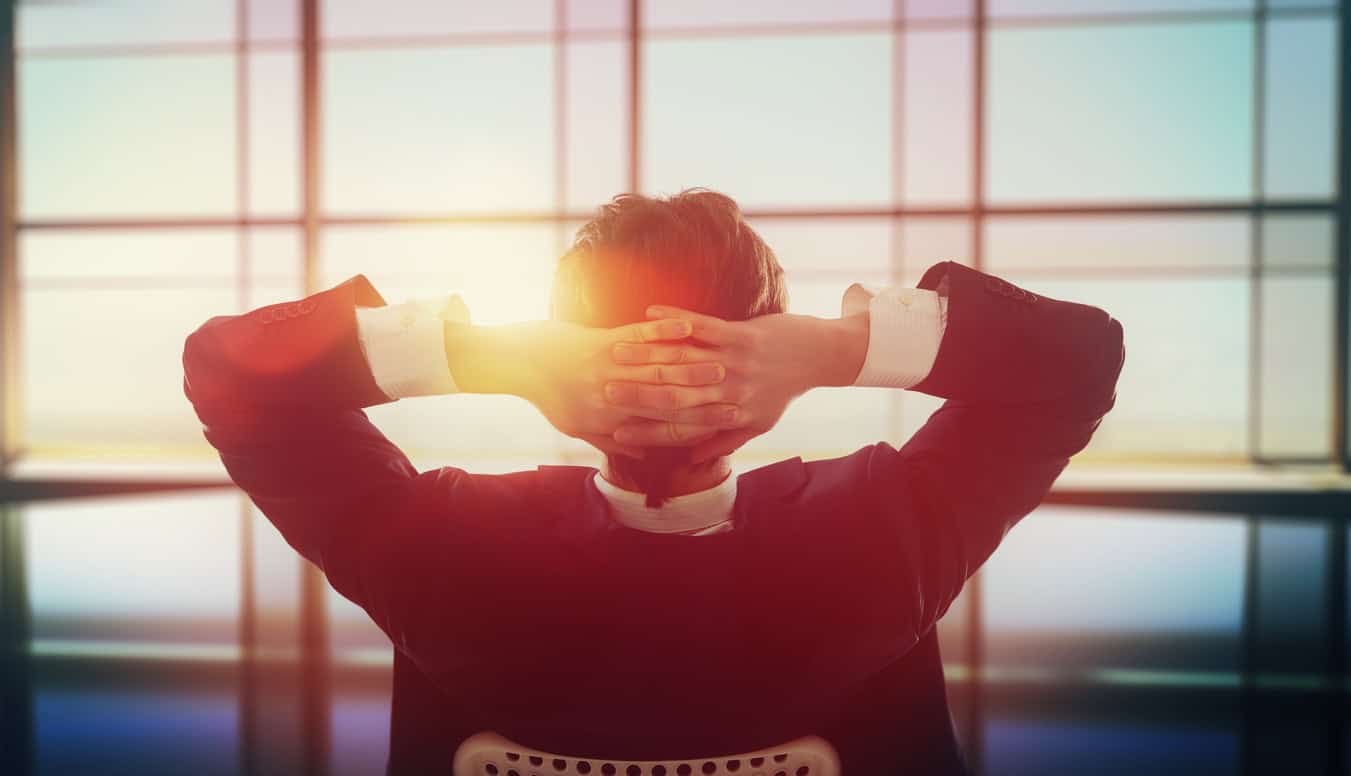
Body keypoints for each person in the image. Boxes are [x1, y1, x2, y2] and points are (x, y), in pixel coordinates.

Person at [183, 189, 1124, 774]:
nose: (668, 388)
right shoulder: (886, 535)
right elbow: (1079, 361)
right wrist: (839, 348)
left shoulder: (437, 550)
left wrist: (492, 356)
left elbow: (228, 374)